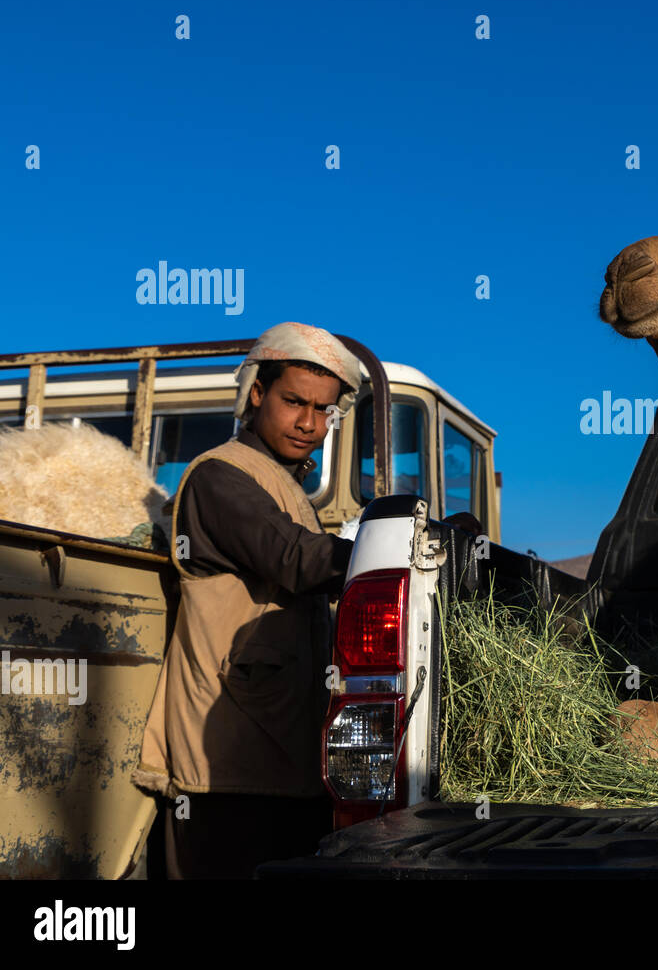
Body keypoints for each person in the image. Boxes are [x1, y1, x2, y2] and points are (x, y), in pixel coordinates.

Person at [133, 322, 477, 878]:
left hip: (286, 759)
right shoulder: (219, 477)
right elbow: (295, 559)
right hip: (225, 765)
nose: (310, 424)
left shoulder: (285, 483)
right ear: (255, 393)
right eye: (295, 402)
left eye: (324, 410)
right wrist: (409, 554)